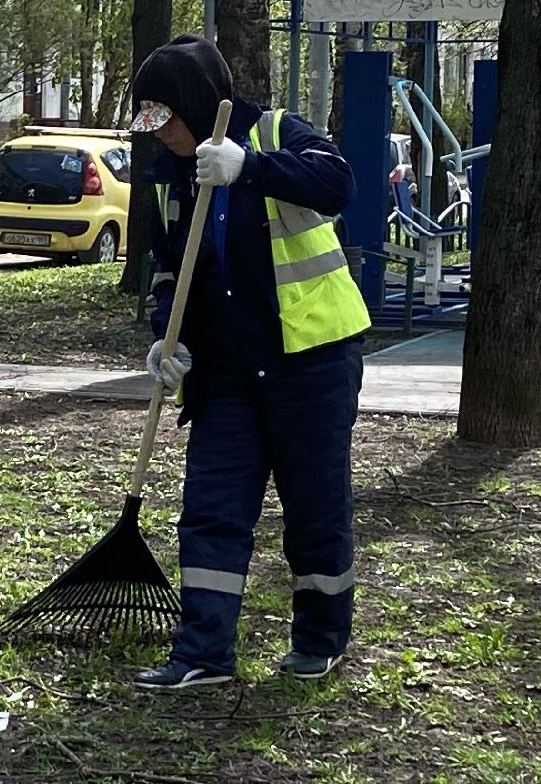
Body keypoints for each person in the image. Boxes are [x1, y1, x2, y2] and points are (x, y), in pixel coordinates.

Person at [127, 35, 372, 690]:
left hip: (311, 361)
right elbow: (169, 274)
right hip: (226, 376)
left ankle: (321, 641)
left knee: (314, 509)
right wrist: (165, 341)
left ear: (196, 105)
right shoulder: (165, 180)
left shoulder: (274, 132)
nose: (161, 135)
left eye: (167, 120)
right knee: (212, 509)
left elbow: (338, 183)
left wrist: (250, 167)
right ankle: (203, 653)